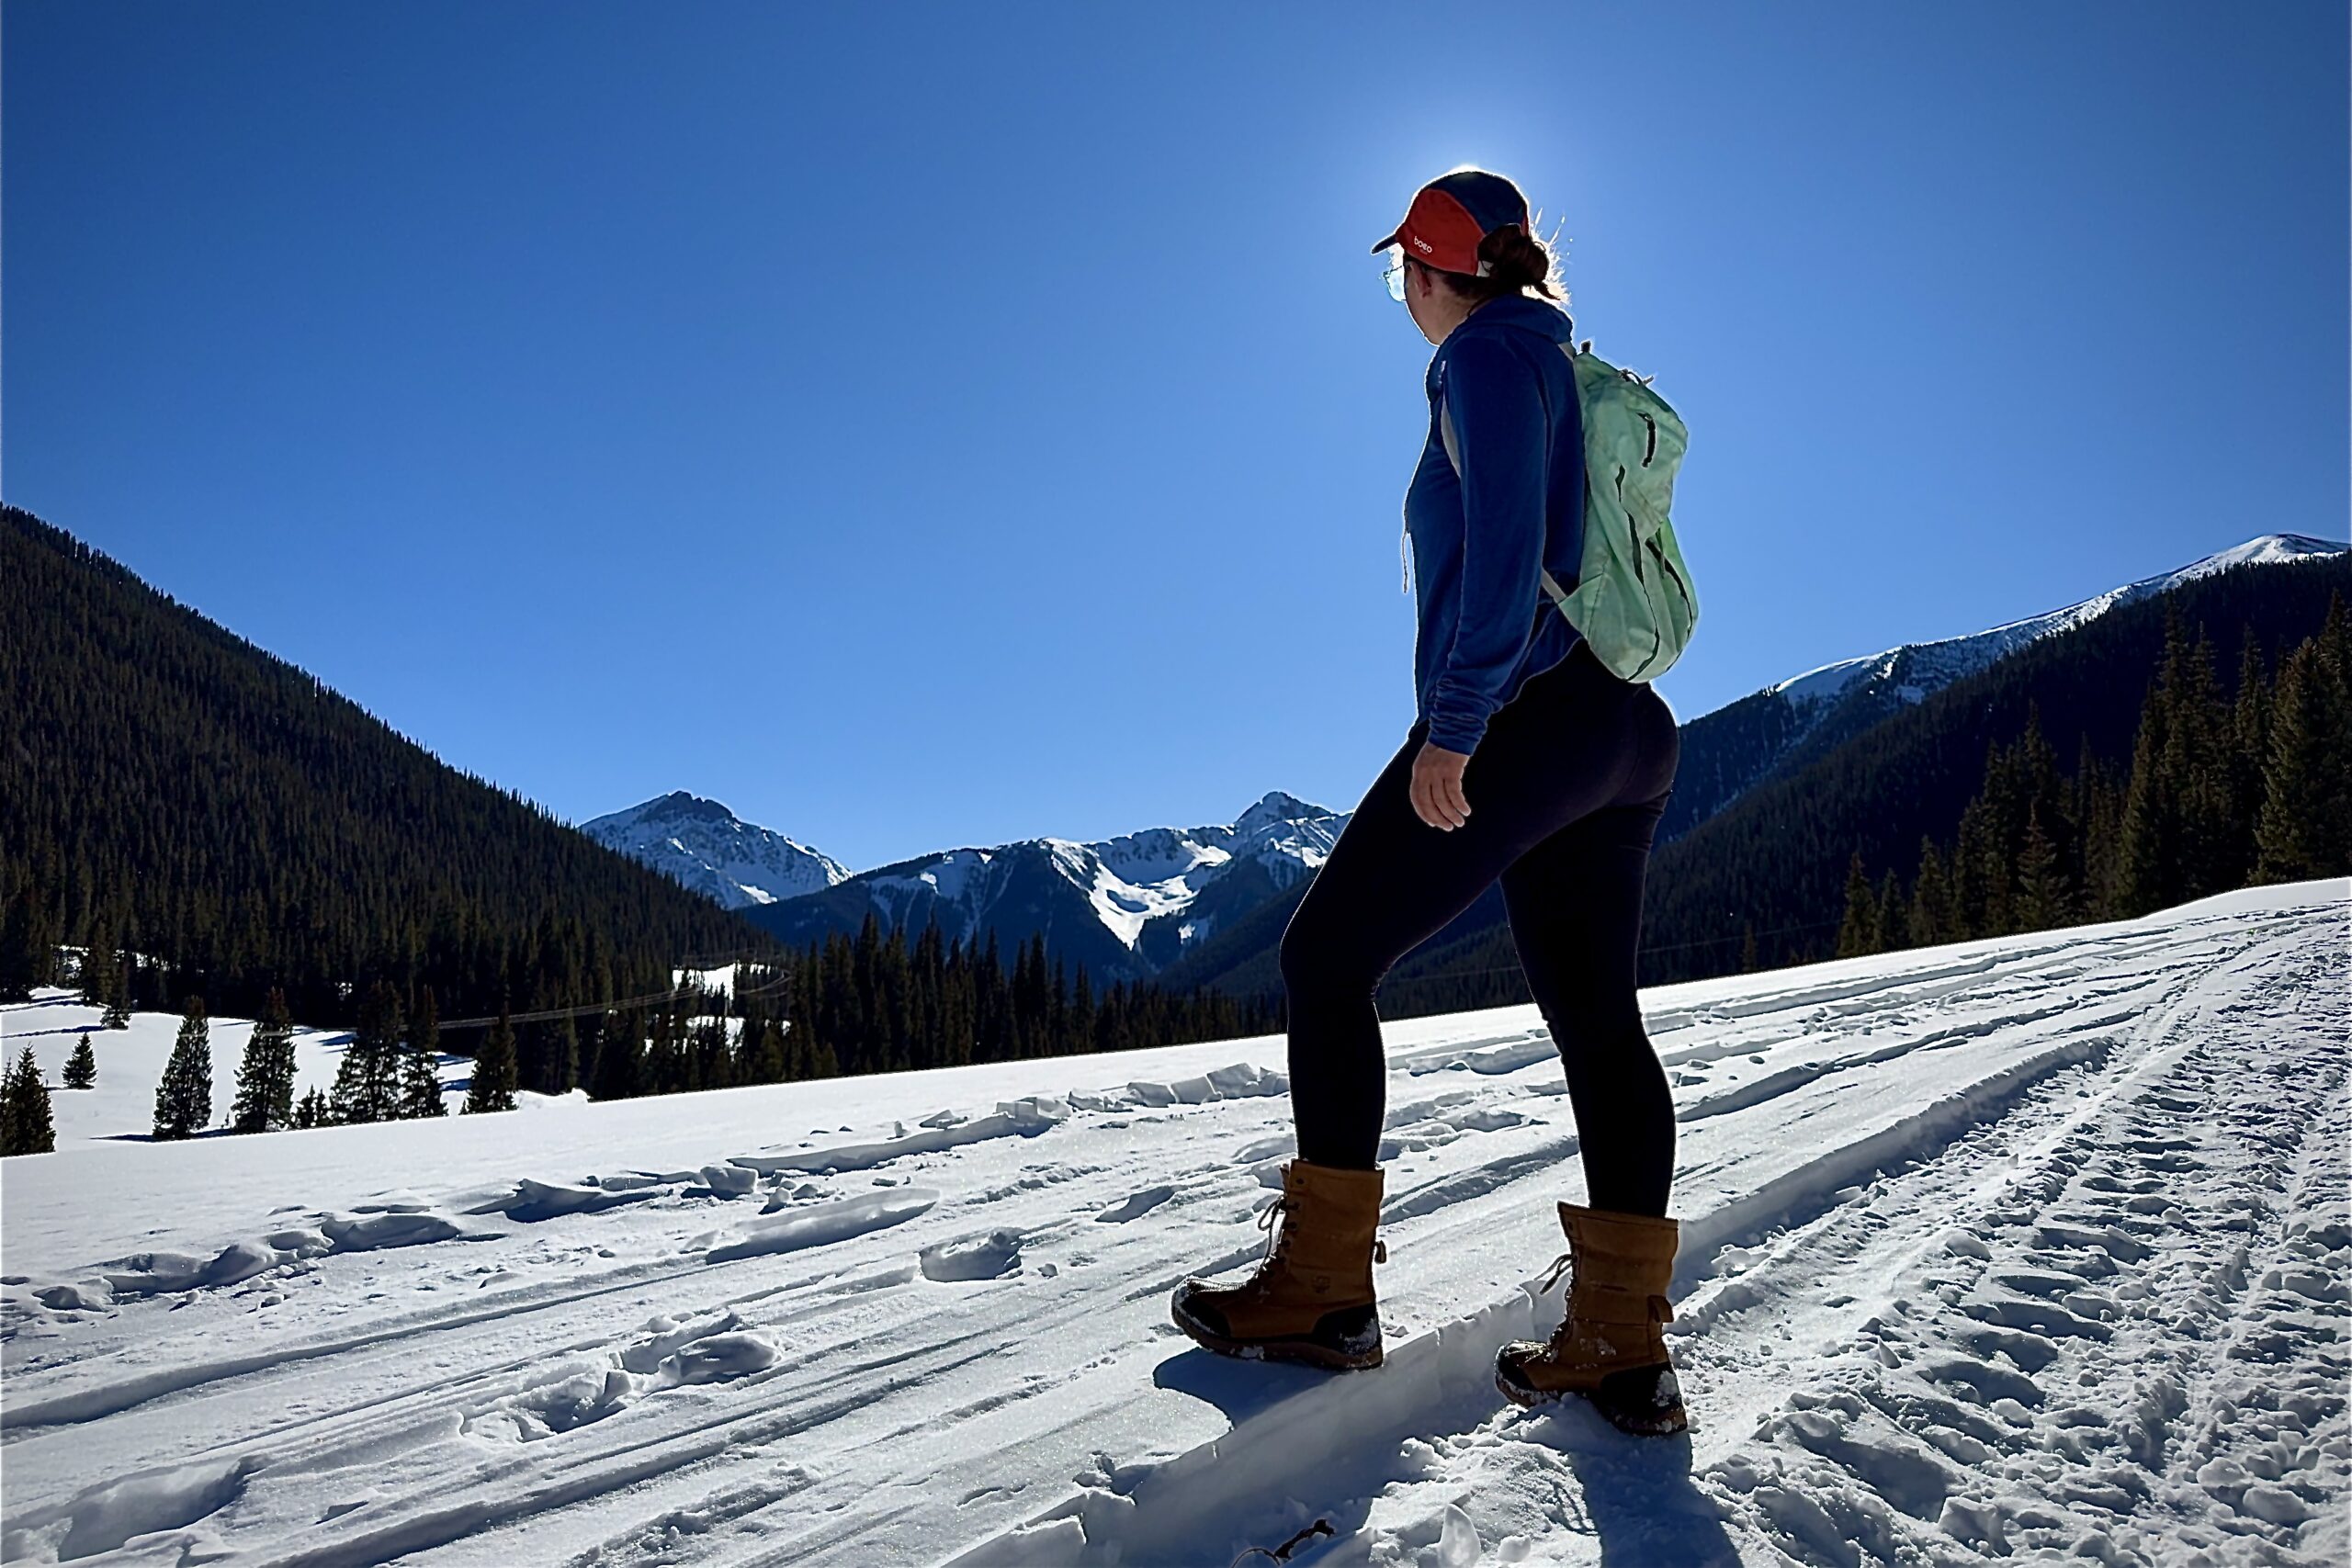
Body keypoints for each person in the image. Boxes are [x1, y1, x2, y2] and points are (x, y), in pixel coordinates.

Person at [1170, 168, 1689, 1437]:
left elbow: (1507, 549)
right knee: (1595, 1018)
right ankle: (1621, 1348)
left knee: (1326, 957)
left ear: (1426, 269)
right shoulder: (1562, 359)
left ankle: (1324, 1298)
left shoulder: (1483, 361)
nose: (1398, 290)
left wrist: (1453, 730)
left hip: (1531, 718)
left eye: (1398, 267)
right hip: (1623, 725)